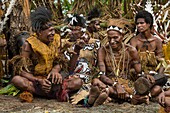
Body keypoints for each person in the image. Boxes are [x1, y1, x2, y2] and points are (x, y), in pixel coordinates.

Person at [10, 7, 83, 102]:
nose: (53, 33)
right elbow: (21, 71)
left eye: (53, 30)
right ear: (40, 32)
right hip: (36, 81)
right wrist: (38, 80)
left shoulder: (56, 40)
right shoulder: (28, 45)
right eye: (49, 31)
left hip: (53, 80)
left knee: (78, 82)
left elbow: (60, 60)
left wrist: (55, 71)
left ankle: (52, 91)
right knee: (17, 80)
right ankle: (50, 93)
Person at [84, 19, 148, 107]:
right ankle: (120, 95)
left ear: (122, 36)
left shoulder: (131, 51)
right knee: (96, 81)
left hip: (126, 83)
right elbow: (102, 74)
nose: (112, 41)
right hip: (109, 82)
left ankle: (104, 95)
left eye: (115, 37)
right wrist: (115, 84)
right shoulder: (103, 50)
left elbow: (139, 73)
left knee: (136, 90)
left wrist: (144, 78)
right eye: (109, 38)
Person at [130, 10, 167, 98]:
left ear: (149, 23)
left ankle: (145, 89)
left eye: (141, 23)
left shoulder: (157, 41)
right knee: (155, 87)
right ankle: (146, 88)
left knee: (163, 78)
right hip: (139, 73)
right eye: (137, 23)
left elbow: (162, 61)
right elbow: (133, 61)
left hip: (154, 75)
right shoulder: (134, 41)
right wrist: (144, 74)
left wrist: (157, 75)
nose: (139, 26)